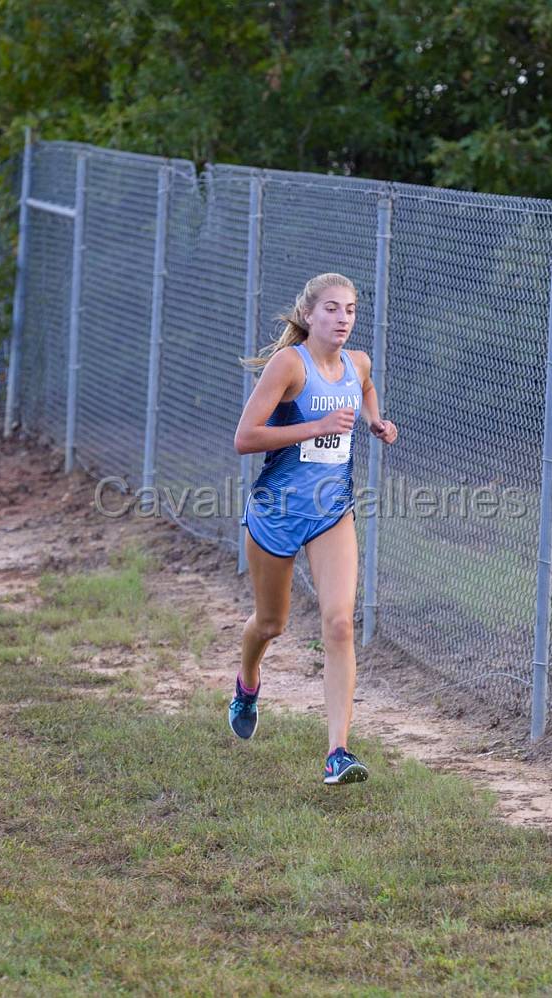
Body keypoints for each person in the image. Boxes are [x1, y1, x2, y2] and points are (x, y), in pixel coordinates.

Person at [231, 272, 398, 785]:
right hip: (277, 512)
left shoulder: (358, 362)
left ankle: (338, 753)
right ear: (308, 316)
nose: (342, 318)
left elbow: (366, 386)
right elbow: (245, 437)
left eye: (349, 309)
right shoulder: (289, 365)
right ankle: (247, 681)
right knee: (271, 624)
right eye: (331, 308)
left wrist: (374, 419)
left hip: (331, 511)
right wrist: (317, 426)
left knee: (340, 623)